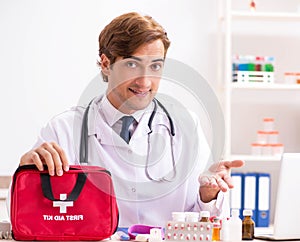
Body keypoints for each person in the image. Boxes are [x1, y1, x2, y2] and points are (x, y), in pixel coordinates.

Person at [19, 12, 244, 227]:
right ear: (106, 64)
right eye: (132, 64)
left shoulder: (186, 126)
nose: (145, 81)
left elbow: (205, 220)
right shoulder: (64, 129)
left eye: (155, 66)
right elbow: (24, 215)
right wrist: (27, 171)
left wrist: (209, 194)